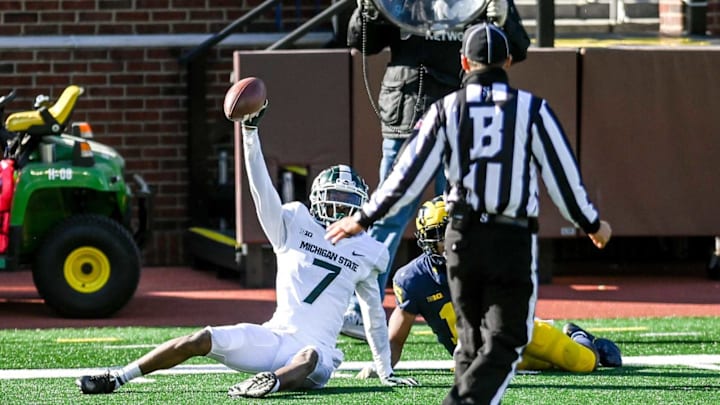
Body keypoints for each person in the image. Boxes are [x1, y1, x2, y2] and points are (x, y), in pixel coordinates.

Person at [325, 22, 612, 404]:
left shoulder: (446, 110)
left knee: (472, 344)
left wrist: (363, 218)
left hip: (460, 239)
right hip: (509, 238)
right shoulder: (531, 109)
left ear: (464, 61)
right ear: (508, 61)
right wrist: (591, 223)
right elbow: (562, 177)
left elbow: (405, 177)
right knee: (506, 340)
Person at [76, 102, 419, 397]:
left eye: (349, 204)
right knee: (201, 338)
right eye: (335, 201)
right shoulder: (295, 221)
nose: (341, 211)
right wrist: (249, 133)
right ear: (317, 198)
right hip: (274, 336)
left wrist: (384, 370)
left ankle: (270, 383)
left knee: (310, 355)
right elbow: (261, 191)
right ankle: (119, 377)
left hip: (320, 353)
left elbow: (374, 316)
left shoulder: (369, 249)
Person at [341, 0, 531, 340]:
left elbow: (516, 48)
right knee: (387, 218)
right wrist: (368, 8)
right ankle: (359, 310)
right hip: (408, 111)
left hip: (461, 115)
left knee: (462, 217)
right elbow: (361, 42)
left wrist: (501, 15)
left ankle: (475, 309)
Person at [357, 197, 621, 380]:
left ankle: (580, 337)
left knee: (584, 363)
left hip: (519, 333)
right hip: (480, 356)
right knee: (546, 366)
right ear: (428, 241)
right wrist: (380, 364)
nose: (454, 241)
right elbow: (395, 341)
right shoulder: (412, 279)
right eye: (444, 235)